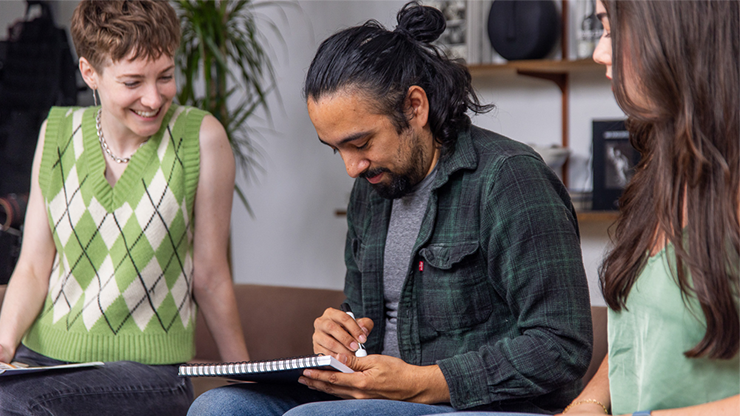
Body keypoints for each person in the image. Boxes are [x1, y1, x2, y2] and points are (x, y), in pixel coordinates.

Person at [187, 2, 592, 415]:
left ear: (415, 107)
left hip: (483, 406)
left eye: (361, 143)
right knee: (219, 406)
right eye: (336, 149)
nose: (351, 167)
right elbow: (367, 322)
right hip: (380, 402)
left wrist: (421, 383)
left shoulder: (509, 179)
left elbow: (562, 346)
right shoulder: (371, 189)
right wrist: (339, 335)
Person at [437, 1, 740, 416]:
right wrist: (589, 403)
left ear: (680, 34)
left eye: (611, 30)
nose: (599, 52)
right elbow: (641, 337)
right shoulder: (662, 168)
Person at [0, 1, 249, 414]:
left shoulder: (201, 138)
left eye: (165, 76)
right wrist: (4, 346)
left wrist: (248, 382)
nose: (153, 97)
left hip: (147, 373)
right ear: (90, 73)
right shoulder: (57, 133)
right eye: (133, 82)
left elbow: (209, 275)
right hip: (40, 361)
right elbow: (32, 266)